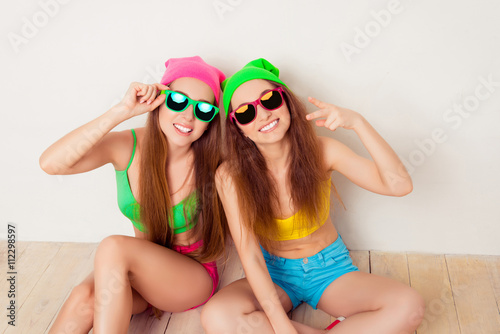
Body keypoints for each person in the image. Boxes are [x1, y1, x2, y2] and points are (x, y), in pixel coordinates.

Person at [201, 58, 425, 334]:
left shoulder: (323, 151)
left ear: (287, 103)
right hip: (274, 275)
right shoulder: (230, 176)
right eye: (246, 113)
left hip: (329, 270)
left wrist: (357, 122)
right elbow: (249, 255)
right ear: (239, 129)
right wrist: (281, 325)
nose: (263, 115)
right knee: (216, 316)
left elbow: (399, 185)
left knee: (410, 307)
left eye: (270, 100)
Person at [39, 56, 227, 333]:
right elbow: (51, 164)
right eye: (178, 101)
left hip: (189, 277)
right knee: (84, 298)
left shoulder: (216, 161)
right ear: (160, 100)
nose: (188, 116)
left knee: (114, 247)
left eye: (203, 109)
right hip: (139, 272)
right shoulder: (128, 146)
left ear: (210, 120)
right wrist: (122, 111)